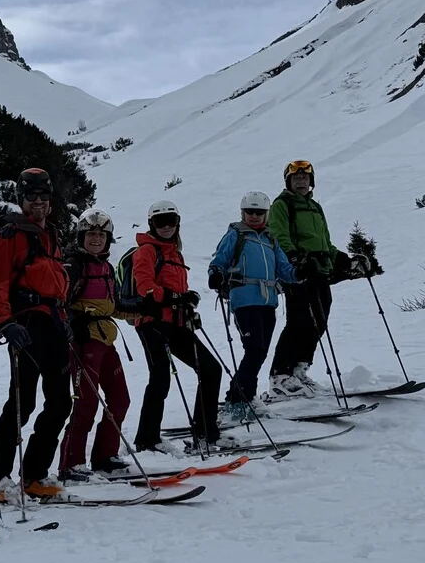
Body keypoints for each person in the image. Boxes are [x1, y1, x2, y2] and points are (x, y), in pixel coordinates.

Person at [0, 168, 72, 502]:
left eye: (44, 197)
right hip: (26, 324)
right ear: (21, 200)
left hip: (55, 322)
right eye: (31, 197)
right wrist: (4, 322)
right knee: (22, 401)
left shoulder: (51, 234)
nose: (38, 203)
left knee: (60, 402)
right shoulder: (10, 234)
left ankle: (33, 475)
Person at [266, 160, 372, 399]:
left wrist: (344, 259)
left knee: (319, 321)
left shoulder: (315, 208)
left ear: (311, 181)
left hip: (320, 270)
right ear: (289, 182)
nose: (301, 182)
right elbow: (278, 234)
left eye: (305, 178)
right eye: (296, 178)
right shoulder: (282, 205)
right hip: (299, 272)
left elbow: (324, 242)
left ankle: (298, 371)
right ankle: (280, 376)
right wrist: (294, 258)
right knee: (298, 322)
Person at [130, 200, 223, 453]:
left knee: (211, 369)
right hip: (152, 323)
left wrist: (187, 308)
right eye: (161, 222)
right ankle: (146, 441)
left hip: (176, 322)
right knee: (160, 378)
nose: (167, 226)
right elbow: (145, 287)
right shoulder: (147, 251)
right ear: (152, 224)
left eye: (171, 221)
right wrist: (176, 298)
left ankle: (205, 433)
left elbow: (176, 292)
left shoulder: (174, 252)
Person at [57, 208, 139, 483]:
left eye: (101, 235)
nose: (96, 239)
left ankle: (105, 457)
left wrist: (143, 310)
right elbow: (60, 301)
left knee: (120, 399)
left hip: (105, 338)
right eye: (91, 234)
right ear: (82, 236)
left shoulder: (105, 267)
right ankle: (71, 464)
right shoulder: (74, 264)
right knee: (86, 403)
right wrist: (71, 322)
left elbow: (112, 305)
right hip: (83, 341)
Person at [207, 191, 301, 421]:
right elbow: (219, 261)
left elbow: (284, 270)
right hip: (244, 300)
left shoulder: (271, 239)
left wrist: (299, 273)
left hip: (268, 302)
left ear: (266, 214)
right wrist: (216, 274)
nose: (255, 216)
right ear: (243, 213)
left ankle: (243, 397)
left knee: (259, 352)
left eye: (260, 212)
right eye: (250, 212)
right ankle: (238, 400)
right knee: (255, 350)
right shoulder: (235, 235)